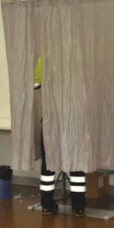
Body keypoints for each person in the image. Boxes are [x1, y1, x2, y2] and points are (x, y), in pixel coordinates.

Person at [35, 57, 86, 216]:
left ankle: (46, 204)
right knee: (76, 163)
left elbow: (35, 85)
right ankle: (78, 207)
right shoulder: (77, 58)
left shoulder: (44, 59)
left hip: (50, 120)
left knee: (48, 164)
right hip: (72, 119)